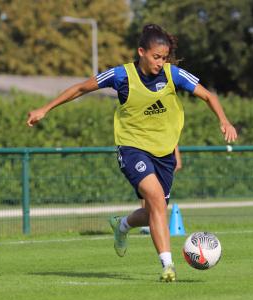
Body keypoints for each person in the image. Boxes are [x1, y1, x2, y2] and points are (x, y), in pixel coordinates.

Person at [26, 24, 237, 282]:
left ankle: (122, 225)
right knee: (157, 201)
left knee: (153, 212)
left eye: (164, 57)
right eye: (156, 57)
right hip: (132, 148)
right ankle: (168, 266)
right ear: (141, 52)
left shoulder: (173, 75)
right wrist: (45, 109)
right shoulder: (121, 75)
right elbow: (81, 88)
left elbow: (209, 96)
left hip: (164, 154)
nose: (161, 62)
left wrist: (224, 121)